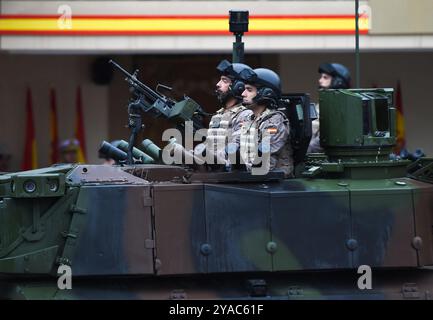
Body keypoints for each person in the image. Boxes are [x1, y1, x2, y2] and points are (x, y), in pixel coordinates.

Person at [195, 59, 253, 168]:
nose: (218, 84)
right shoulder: (217, 116)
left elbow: (236, 148)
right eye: (220, 80)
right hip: (216, 172)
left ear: (238, 87)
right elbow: (210, 145)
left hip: (233, 175)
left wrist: (208, 157)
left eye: (224, 81)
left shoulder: (245, 115)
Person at [239, 67, 294, 177]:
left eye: (249, 90)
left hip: (274, 185)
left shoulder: (274, 122)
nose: (243, 94)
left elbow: (265, 165)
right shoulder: (249, 119)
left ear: (265, 93)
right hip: (253, 180)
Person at [308, 62, 351, 153]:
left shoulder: (342, 105)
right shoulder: (324, 102)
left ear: (338, 81)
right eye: (321, 77)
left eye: (325, 77)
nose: (320, 80)